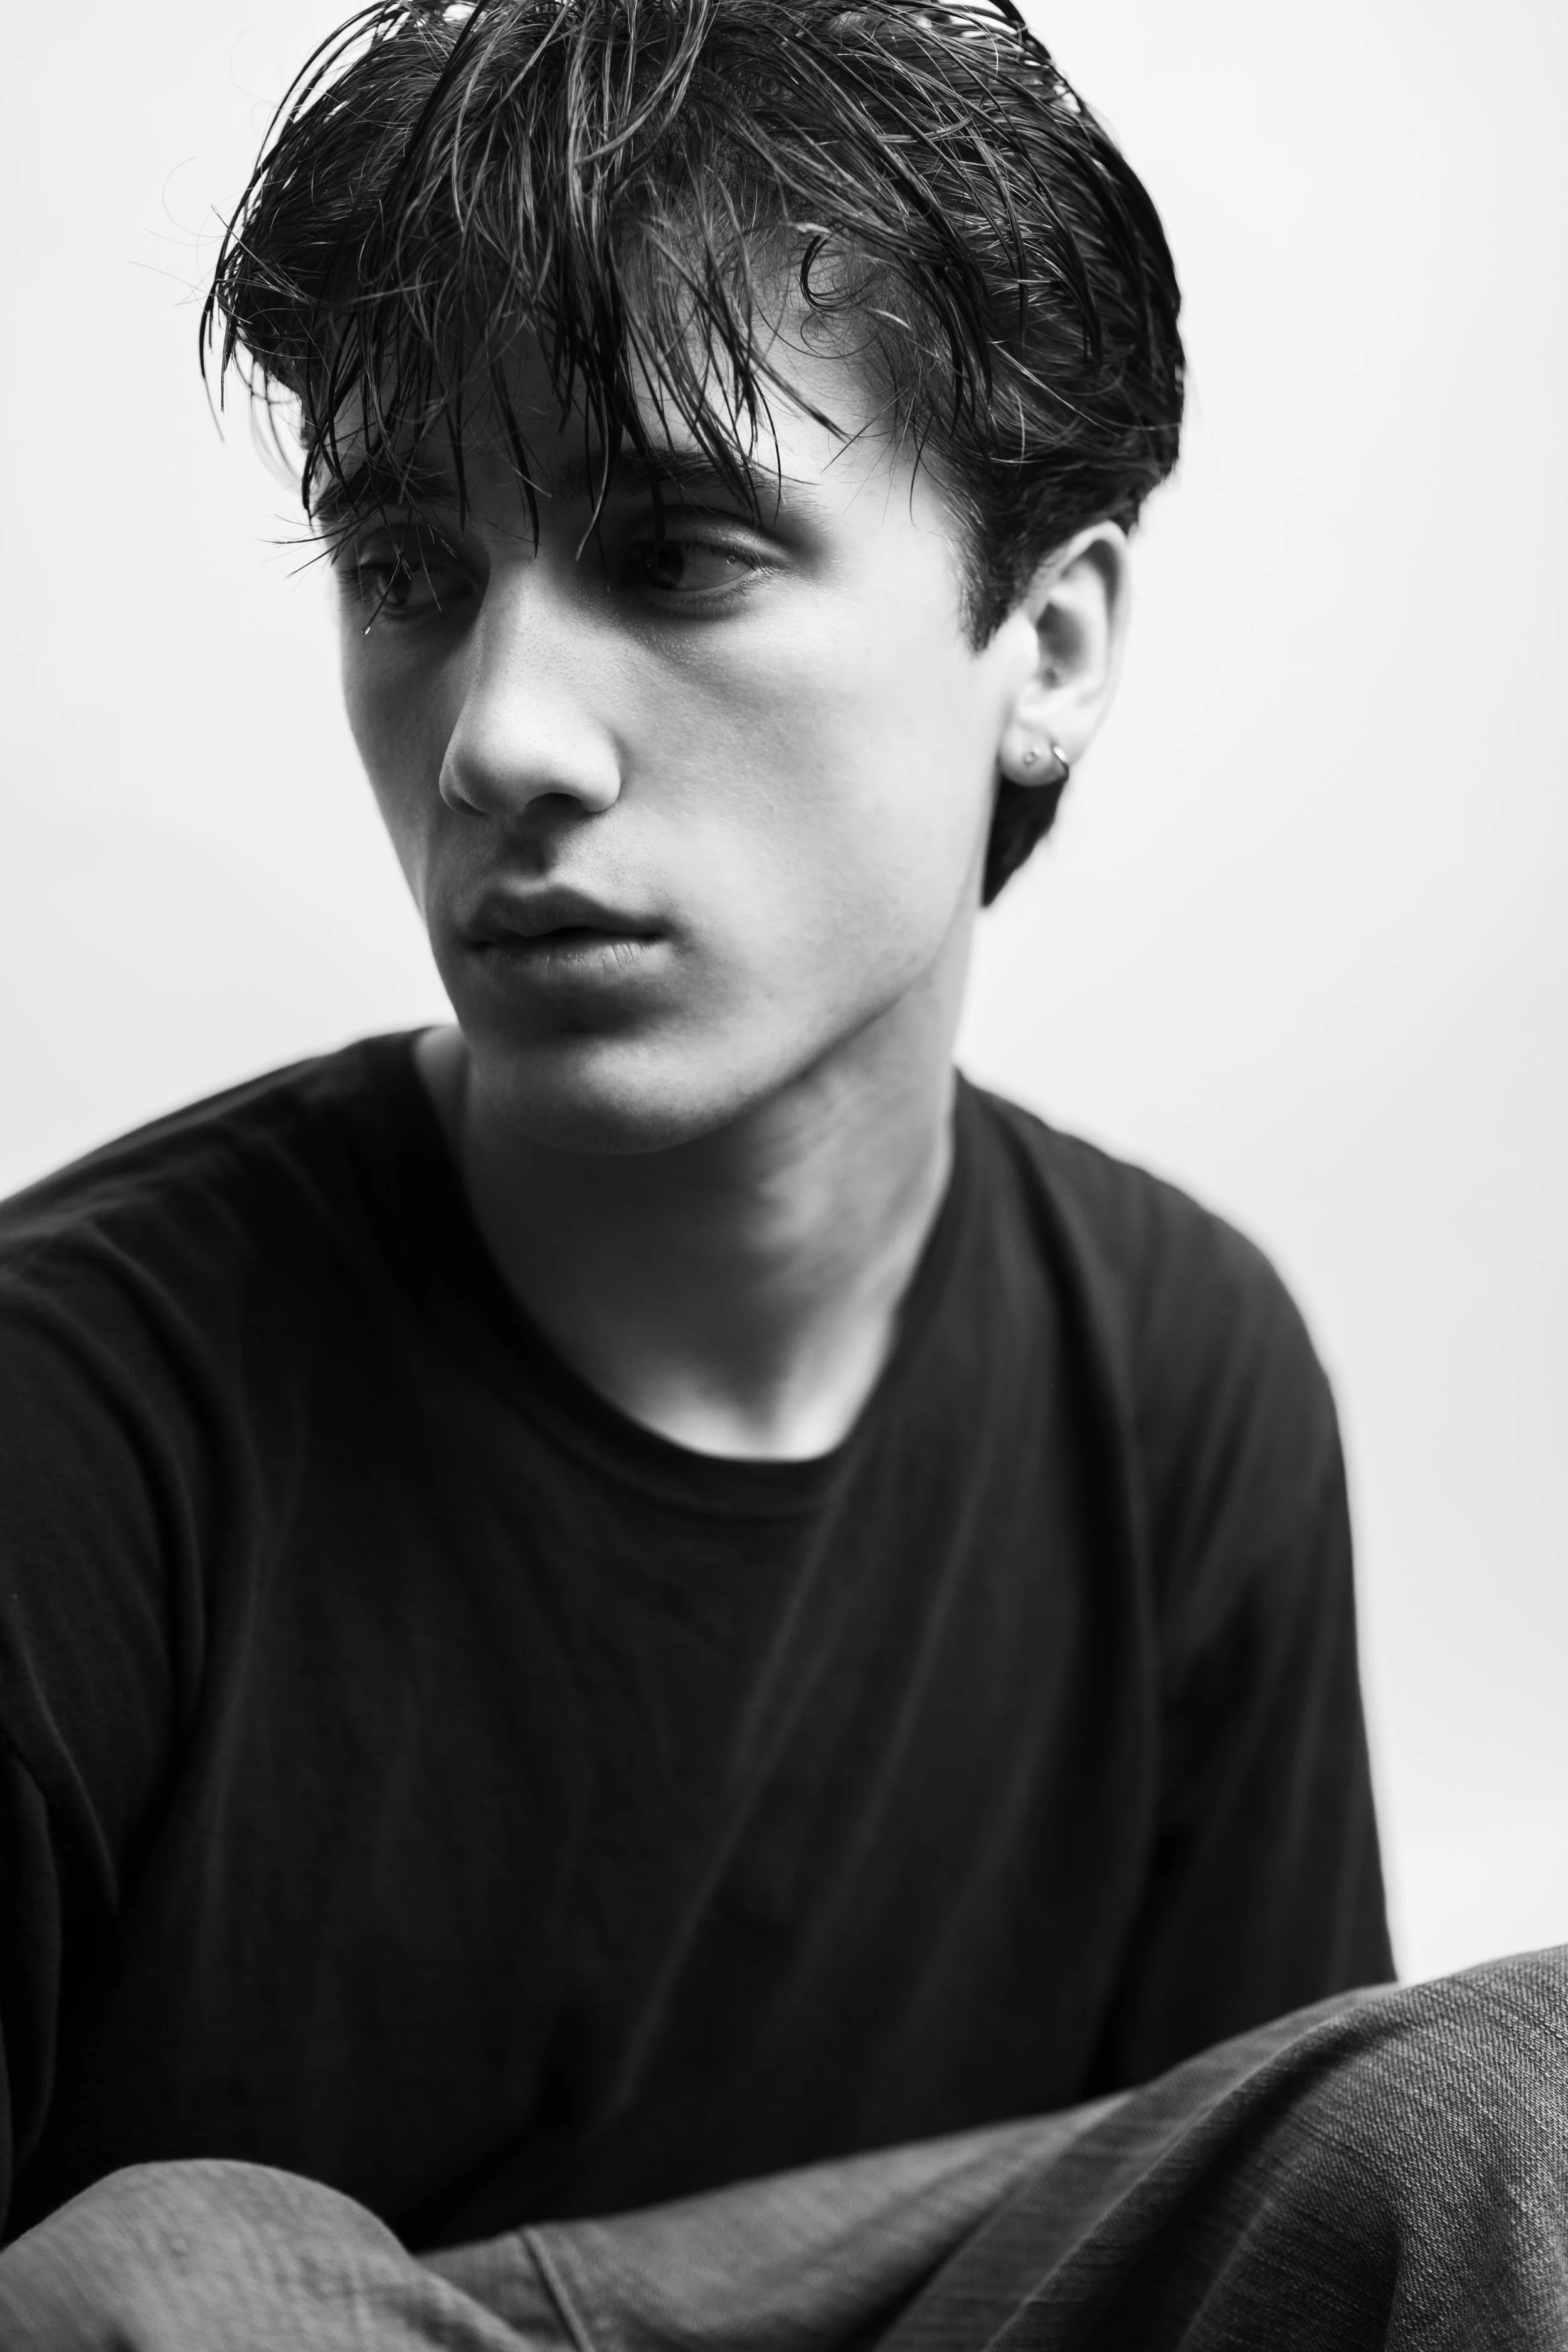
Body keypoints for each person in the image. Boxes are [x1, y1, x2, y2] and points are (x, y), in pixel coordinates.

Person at [1, 1, 1564, 2344]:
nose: (500, 738)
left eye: (677, 552)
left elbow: (1285, 2244)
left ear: (1046, 643)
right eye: (409, 566)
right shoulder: (70, 1423)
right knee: (191, 2289)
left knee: (1510, 2102)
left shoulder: (1181, 1382)